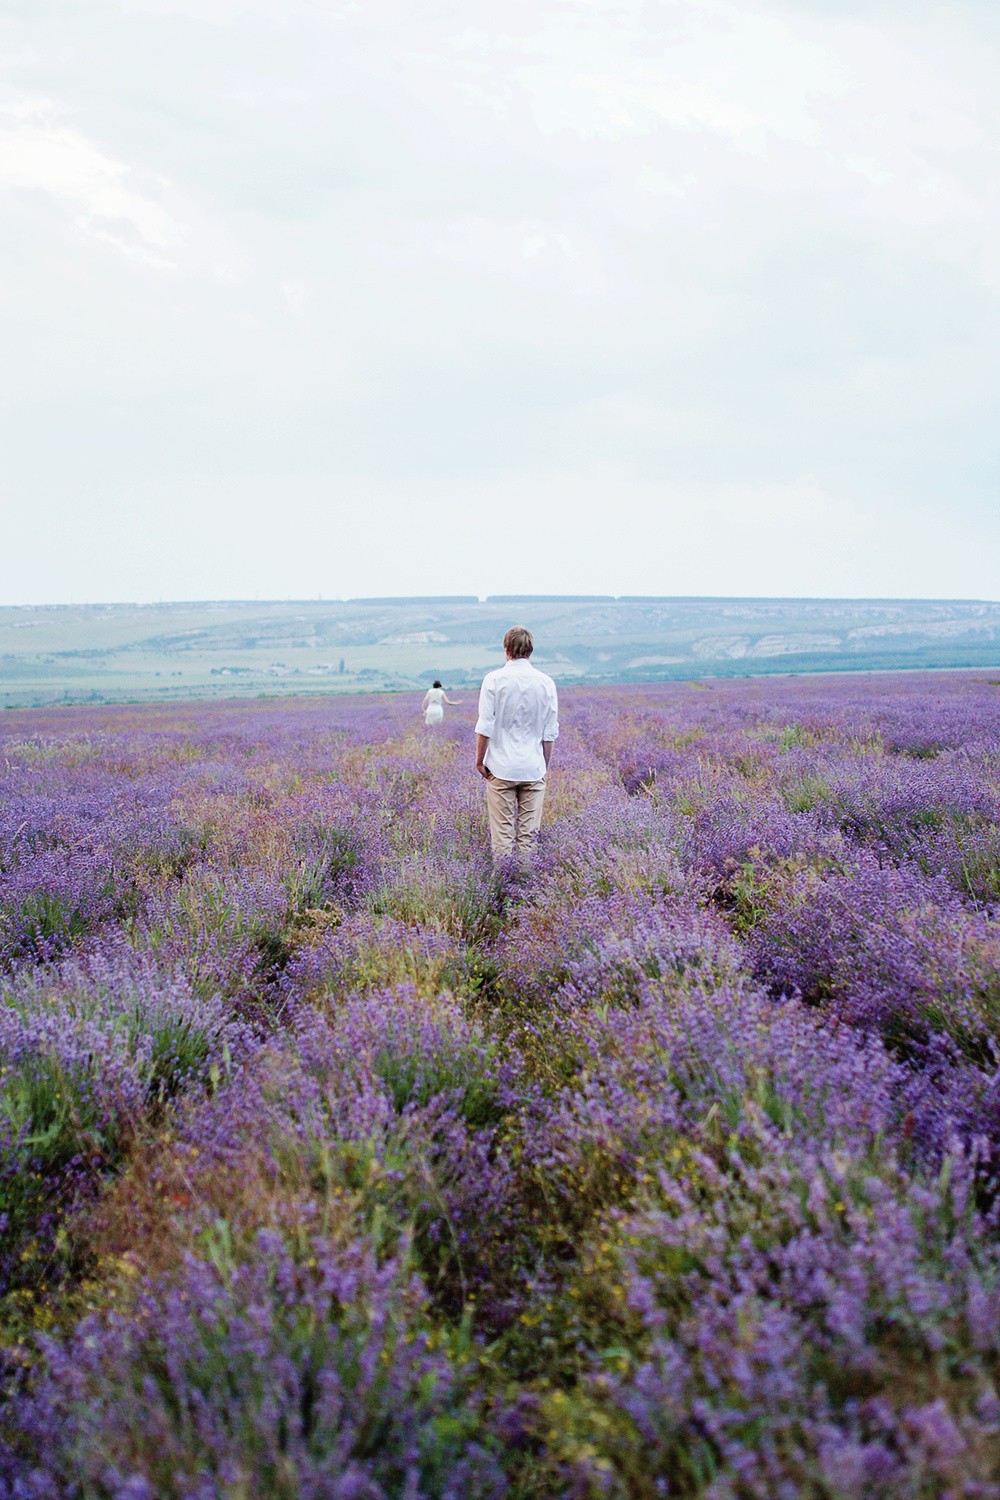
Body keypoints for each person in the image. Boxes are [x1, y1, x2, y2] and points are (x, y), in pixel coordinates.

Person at [475, 626, 558, 858]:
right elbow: (550, 732)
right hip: (533, 768)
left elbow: (485, 726)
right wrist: (543, 767)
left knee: (502, 835)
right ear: (530, 650)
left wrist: (480, 762)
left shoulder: (493, 679)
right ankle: (526, 889)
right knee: (529, 837)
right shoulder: (546, 682)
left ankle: (503, 887)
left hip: (500, 768)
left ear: (506, 649)